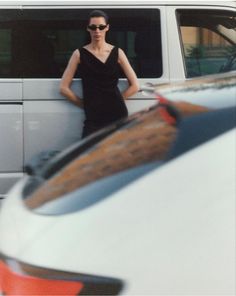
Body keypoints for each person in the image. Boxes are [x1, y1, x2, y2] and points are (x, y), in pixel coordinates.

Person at [60, 9, 139, 138]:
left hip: (117, 114)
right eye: (93, 27)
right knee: (89, 153)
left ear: (107, 28)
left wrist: (116, 101)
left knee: (116, 153)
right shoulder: (79, 54)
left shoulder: (118, 52)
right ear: (88, 28)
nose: (97, 31)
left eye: (101, 27)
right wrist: (85, 104)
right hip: (94, 117)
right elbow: (63, 88)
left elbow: (135, 85)